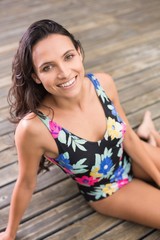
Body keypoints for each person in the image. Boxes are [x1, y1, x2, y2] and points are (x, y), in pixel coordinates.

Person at [0, 19, 160, 240]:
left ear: (79, 52)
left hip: (131, 157)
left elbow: (128, 137)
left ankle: (148, 133)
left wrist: (158, 178)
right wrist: (9, 234)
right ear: (36, 76)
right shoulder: (34, 129)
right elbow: (26, 183)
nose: (64, 73)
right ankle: (151, 134)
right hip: (109, 190)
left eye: (68, 56)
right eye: (48, 67)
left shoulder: (103, 83)